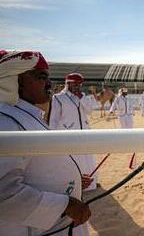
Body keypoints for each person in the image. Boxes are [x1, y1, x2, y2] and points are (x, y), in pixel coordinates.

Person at [0, 50, 91, 235]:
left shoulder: (23, 115)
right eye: (42, 77)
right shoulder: (5, 122)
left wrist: (71, 180)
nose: (49, 84)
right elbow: (4, 193)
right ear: (14, 80)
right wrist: (66, 204)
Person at [49, 73, 97, 191]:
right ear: (68, 83)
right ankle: (77, 184)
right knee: (76, 160)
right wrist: (51, 135)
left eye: (80, 84)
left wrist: (82, 98)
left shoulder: (82, 96)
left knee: (88, 158)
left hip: (85, 132)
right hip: (69, 134)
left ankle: (91, 182)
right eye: (76, 84)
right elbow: (54, 119)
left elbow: (90, 111)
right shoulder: (58, 98)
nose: (78, 87)